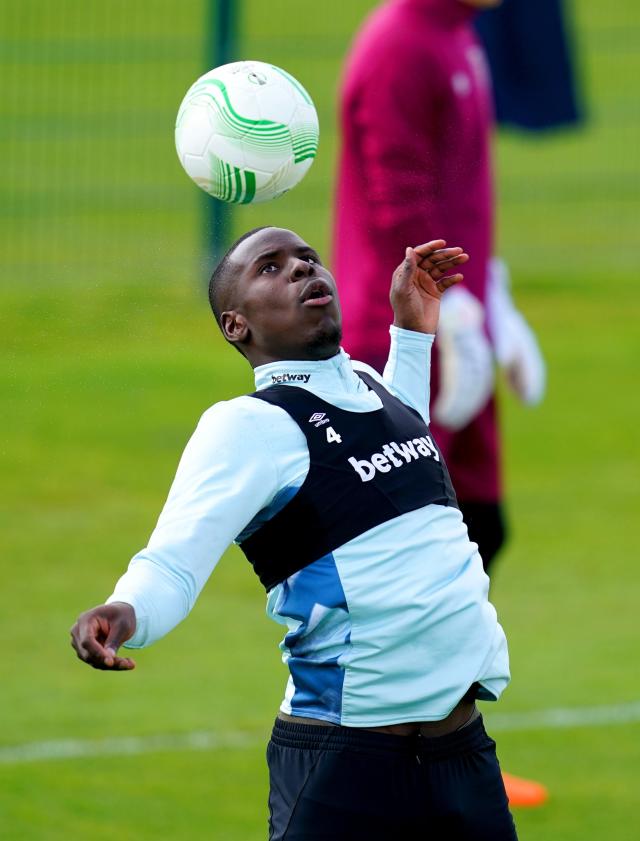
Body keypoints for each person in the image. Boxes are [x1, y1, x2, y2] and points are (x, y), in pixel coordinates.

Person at [71, 226, 518, 840]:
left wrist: (412, 334)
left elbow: (398, 468)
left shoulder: (374, 386)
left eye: (308, 259)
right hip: (347, 764)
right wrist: (127, 610)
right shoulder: (249, 426)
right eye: (271, 268)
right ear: (236, 325)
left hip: (460, 755)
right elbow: (173, 559)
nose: (303, 271)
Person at [333, 0, 546, 807]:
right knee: (406, 553)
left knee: (482, 522)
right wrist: (448, 314)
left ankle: (450, 738)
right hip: (408, 335)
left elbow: (458, 187)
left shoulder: (457, 30)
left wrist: (493, 293)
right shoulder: (401, 42)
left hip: (464, 321)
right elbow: (398, 193)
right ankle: (397, 754)